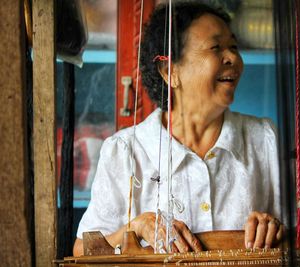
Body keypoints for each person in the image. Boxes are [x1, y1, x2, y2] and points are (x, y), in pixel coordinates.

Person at [73, 1, 284, 256]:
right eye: (216, 47)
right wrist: (135, 227)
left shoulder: (264, 139)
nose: (233, 58)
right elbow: (82, 251)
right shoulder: (125, 151)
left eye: (234, 47)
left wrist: (274, 228)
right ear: (170, 71)